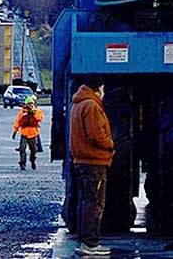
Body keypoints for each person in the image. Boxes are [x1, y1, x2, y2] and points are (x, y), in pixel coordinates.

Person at [68, 77, 115, 247]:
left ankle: (84, 241)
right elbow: (96, 135)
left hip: (82, 161)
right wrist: (110, 145)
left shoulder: (78, 103)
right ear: (98, 88)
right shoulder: (92, 106)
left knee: (86, 201)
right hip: (94, 161)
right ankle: (90, 243)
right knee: (95, 203)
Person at [13, 95, 44, 170]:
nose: (30, 105)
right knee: (22, 149)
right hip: (24, 133)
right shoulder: (22, 112)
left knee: (34, 150)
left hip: (33, 134)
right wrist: (15, 131)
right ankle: (22, 163)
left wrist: (34, 112)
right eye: (28, 104)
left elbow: (39, 119)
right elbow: (17, 121)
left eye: (31, 103)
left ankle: (32, 160)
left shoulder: (37, 112)